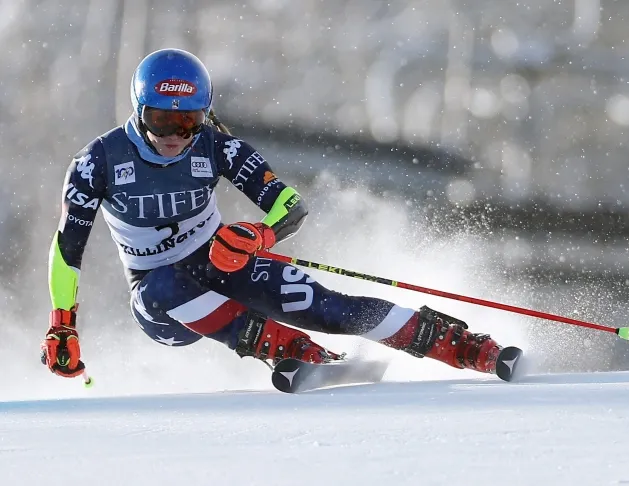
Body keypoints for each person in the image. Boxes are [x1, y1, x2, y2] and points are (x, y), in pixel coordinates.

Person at [41, 48, 508, 383]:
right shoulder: (97, 161)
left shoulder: (216, 146)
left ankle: (460, 346)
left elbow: (289, 204)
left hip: (221, 263)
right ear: (141, 111)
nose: (176, 134)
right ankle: (291, 349)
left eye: (189, 121)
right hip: (161, 304)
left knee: (327, 306)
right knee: (162, 285)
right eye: (164, 120)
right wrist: (62, 323)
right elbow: (67, 250)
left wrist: (259, 235)